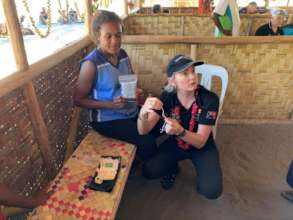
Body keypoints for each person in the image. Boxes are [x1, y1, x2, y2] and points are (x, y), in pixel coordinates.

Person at [74, 10, 157, 165]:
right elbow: (78, 100)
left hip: (130, 111)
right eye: (108, 36)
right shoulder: (91, 64)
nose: (115, 41)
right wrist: (109, 104)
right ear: (98, 36)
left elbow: (132, 81)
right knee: (148, 143)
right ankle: (127, 167)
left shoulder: (123, 55)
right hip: (107, 119)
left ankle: (141, 155)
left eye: (118, 35)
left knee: (159, 123)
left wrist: (138, 93)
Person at [138, 55, 223, 199]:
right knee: (149, 171)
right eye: (185, 73)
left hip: (202, 148)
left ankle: (204, 172)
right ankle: (173, 167)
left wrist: (180, 131)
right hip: (176, 144)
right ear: (172, 81)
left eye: (193, 71)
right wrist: (143, 112)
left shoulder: (209, 99)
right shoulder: (167, 97)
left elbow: (201, 141)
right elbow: (142, 130)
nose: (192, 77)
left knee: (211, 191)